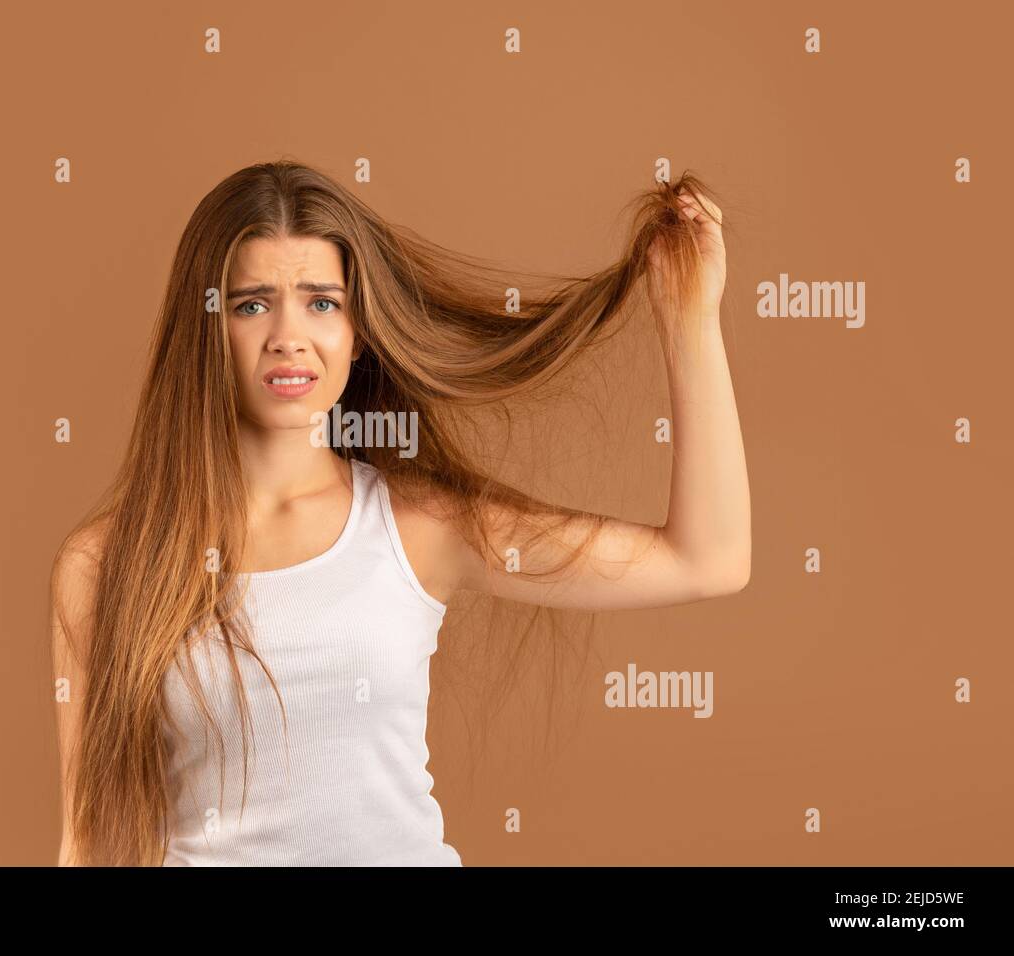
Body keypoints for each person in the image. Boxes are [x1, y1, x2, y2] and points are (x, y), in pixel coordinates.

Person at [50, 160, 748, 866]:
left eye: (321, 302)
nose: (289, 336)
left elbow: (707, 559)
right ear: (205, 327)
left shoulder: (417, 527)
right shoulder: (105, 563)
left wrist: (689, 317)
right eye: (251, 303)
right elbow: (86, 842)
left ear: (358, 333)